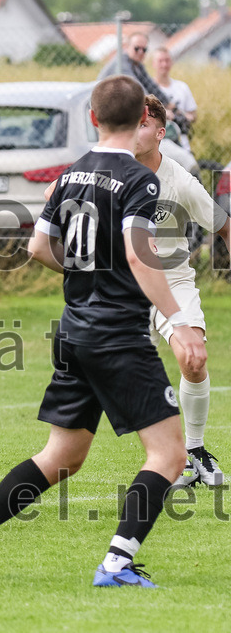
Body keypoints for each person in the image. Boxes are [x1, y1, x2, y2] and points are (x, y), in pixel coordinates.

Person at [0, 75, 207, 588]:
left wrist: (84, 272)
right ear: (144, 120)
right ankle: (117, 564)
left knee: (63, 455)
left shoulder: (69, 173)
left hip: (75, 330)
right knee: (169, 454)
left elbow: (38, 248)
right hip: (117, 336)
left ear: (92, 117)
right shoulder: (140, 180)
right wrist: (178, 322)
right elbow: (136, 253)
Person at [134, 95, 226, 486]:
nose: (131, 130)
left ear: (159, 132)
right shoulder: (106, 169)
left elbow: (222, 224)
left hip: (172, 279)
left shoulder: (180, 181)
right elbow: (58, 196)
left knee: (193, 359)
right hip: (122, 288)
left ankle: (193, 452)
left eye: (140, 123)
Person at [98, 32, 168, 106]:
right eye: (136, 48)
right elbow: (137, 89)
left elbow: (151, 86)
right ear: (127, 47)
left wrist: (168, 104)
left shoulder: (137, 64)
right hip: (104, 106)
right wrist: (158, 108)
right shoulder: (122, 63)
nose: (140, 52)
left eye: (144, 49)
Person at [152, 46, 197, 146]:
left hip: (182, 142)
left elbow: (193, 115)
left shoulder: (182, 87)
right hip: (158, 144)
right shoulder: (147, 89)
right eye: (160, 61)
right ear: (153, 64)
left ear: (171, 62)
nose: (164, 64)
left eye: (167, 60)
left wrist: (181, 116)